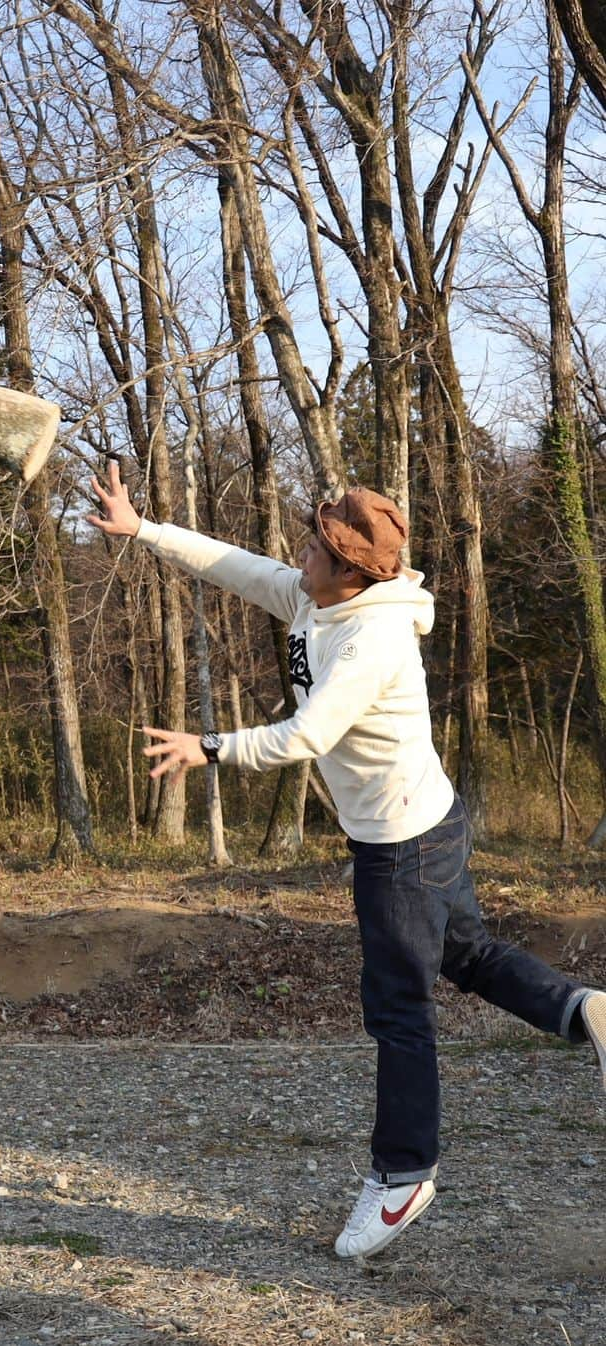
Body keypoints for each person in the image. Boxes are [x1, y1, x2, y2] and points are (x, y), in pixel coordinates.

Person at [88, 461, 606, 1258]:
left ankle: (402, 1178)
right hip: (425, 823)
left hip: (401, 842)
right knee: (467, 955)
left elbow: (306, 735)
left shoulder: (374, 635)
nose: (302, 553)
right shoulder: (313, 595)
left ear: (350, 568)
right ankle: (587, 1012)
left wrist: (210, 746)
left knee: (399, 1005)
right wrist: (142, 528)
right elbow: (233, 565)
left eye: (318, 546)